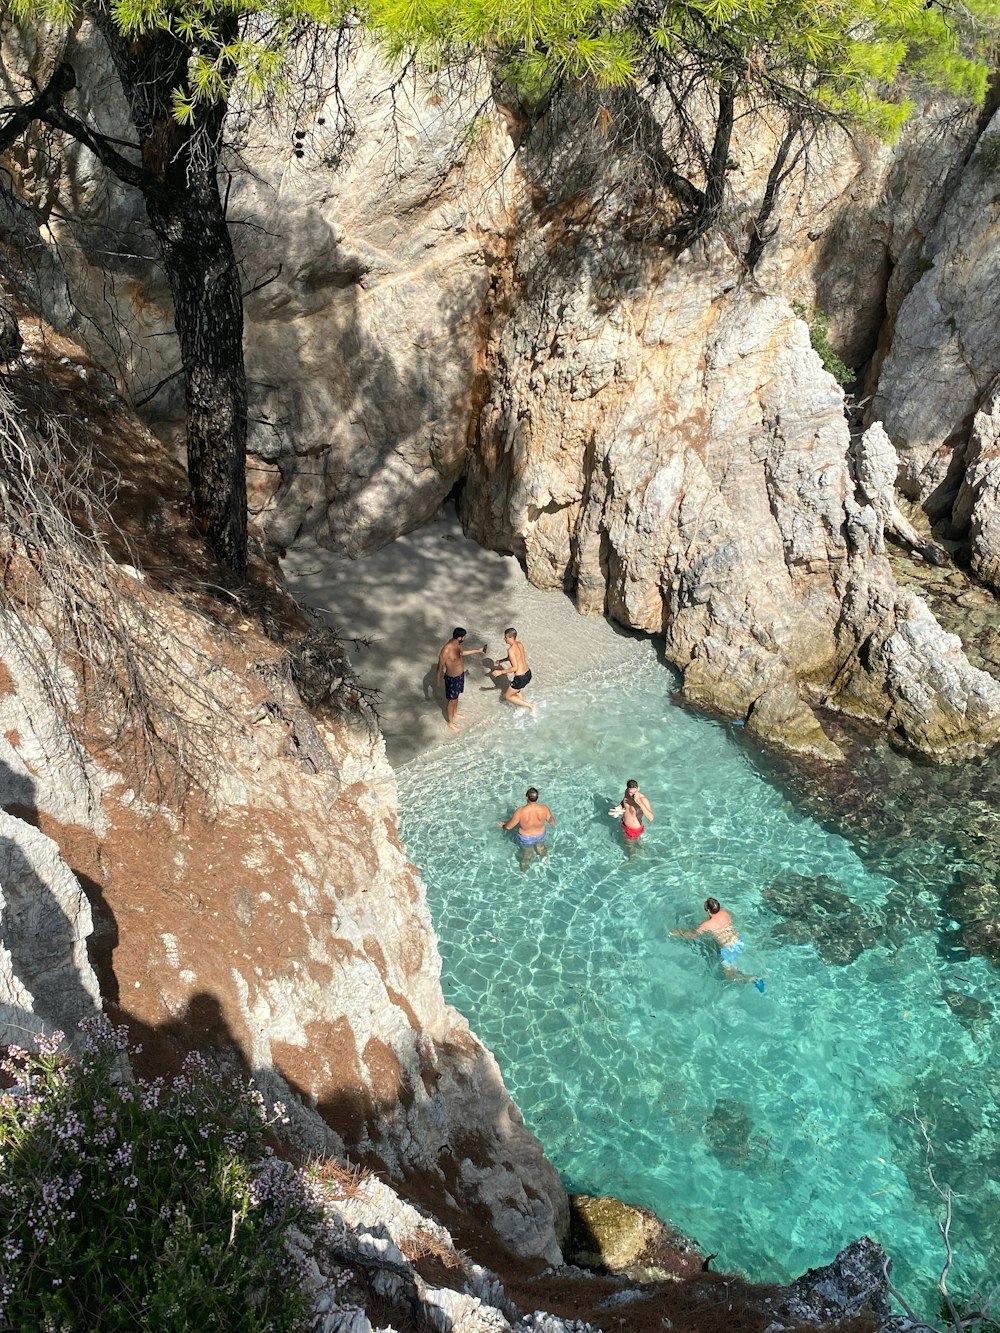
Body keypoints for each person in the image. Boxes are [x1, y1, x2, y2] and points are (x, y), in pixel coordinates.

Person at [671, 898, 764, 990]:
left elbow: (692, 935)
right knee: (734, 965)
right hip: (739, 941)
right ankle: (746, 974)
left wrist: (677, 933)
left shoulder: (706, 925)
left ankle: (753, 980)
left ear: (708, 910)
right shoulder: (725, 913)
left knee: (731, 978)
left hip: (728, 949)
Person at [436, 628, 489, 732]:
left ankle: (455, 713)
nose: (465, 638)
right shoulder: (446, 649)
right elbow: (439, 666)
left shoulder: (458, 644)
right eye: (464, 636)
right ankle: (450, 722)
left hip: (460, 676)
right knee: (452, 701)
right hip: (452, 679)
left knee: (457, 697)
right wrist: (438, 679)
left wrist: (478, 650)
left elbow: (462, 653)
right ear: (460, 637)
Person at [498, 787, 556, 870]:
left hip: (526, 838)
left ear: (526, 797)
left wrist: (503, 825)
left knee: (527, 854)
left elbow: (509, 827)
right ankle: (544, 859)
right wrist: (550, 820)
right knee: (541, 847)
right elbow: (552, 821)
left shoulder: (520, 811)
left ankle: (524, 871)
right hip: (540, 835)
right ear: (537, 797)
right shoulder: (544, 808)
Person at [491, 628, 536, 713]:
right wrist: (501, 661)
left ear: (510, 637)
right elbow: (516, 657)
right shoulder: (519, 644)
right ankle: (522, 706)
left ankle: (530, 706)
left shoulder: (510, 650)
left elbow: (514, 668)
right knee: (516, 690)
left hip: (520, 677)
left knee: (507, 696)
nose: (504, 639)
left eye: (505, 637)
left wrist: (500, 672)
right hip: (528, 673)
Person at [619, 778, 653, 851]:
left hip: (633, 830)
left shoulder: (643, 799)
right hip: (625, 825)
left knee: (630, 848)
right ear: (627, 789)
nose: (632, 795)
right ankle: (642, 849)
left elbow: (651, 818)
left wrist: (638, 801)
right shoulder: (627, 793)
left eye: (635, 792)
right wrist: (618, 808)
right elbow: (623, 803)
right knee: (639, 843)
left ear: (638, 789)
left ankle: (631, 860)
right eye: (630, 792)